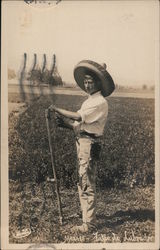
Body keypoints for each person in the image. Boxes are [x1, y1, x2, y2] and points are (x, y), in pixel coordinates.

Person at [46, 60, 115, 233]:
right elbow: (80, 126)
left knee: (86, 182)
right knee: (82, 180)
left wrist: (56, 109)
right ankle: (86, 216)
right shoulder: (90, 100)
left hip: (89, 145)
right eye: (85, 81)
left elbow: (78, 118)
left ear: (98, 83)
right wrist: (64, 124)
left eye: (90, 81)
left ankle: (88, 224)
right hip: (84, 142)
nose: (87, 84)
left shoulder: (99, 101)